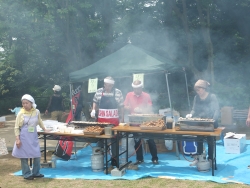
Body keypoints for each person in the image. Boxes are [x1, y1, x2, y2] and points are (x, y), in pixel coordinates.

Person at [90, 76, 124, 169]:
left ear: (112, 85)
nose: (107, 87)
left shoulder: (118, 92)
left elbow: (121, 106)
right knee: (101, 141)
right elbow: (95, 101)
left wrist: (122, 119)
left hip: (114, 122)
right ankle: (100, 160)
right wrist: (93, 110)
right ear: (104, 84)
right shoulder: (99, 91)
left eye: (109, 86)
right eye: (106, 85)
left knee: (114, 141)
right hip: (102, 121)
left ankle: (114, 160)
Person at [12, 94, 47, 180]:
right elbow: (16, 127)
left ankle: (36, 172)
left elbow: (39, 121)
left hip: (33, 136)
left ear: (31, 103)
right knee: (24, 156)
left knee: (37, 155)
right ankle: (27, 174)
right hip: (23, 137)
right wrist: (17, 139)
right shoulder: (20, 114)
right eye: (23, 103)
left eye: (26, 103)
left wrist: (44, 129)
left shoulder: (37, 111)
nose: (25, 105)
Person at [124, 80, 159, 165]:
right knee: (137, 141)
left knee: (150, 140)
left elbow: (150, 106)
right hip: (134, 122)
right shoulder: (129, 95)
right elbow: (125, 105)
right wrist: (128, 107)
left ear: (141, 88)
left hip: (145, 122)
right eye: (135, 89)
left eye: (138, 88)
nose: (136, 90)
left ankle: (154, 158)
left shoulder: (146, 95)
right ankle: (139, 159)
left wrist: (143, 109)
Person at [186, 79, 219, 166]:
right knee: (199, 140)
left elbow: (216, 110)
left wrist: (213, 120)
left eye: (199, 90)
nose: (198, 92)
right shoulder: (196, 98)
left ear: (204, 89)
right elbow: (194, 109)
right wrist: (191, 114)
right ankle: (199, 157)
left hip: (211, 122)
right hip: (200, 122)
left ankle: (211, 159)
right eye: (196, 90)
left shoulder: (212, 97)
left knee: (210, 141)